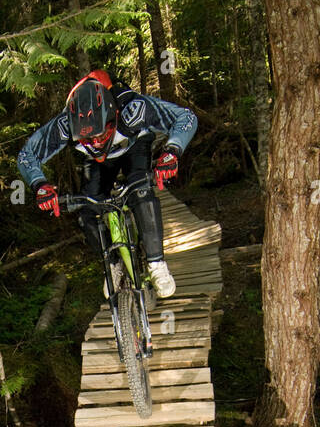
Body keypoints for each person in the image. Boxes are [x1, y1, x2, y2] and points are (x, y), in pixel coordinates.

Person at [17, 68, 198, 299]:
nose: (95, 142)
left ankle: (156, 263)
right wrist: (39, 185)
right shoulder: (65, 125)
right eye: (86, 139)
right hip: (97, 164)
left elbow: (186, 117)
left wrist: (172, 151)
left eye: (100, 135)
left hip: (134, 147)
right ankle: (112, 264)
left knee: (140, 189)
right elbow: (26, 155)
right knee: (86, 212)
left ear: (113, 117)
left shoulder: (132, 108)